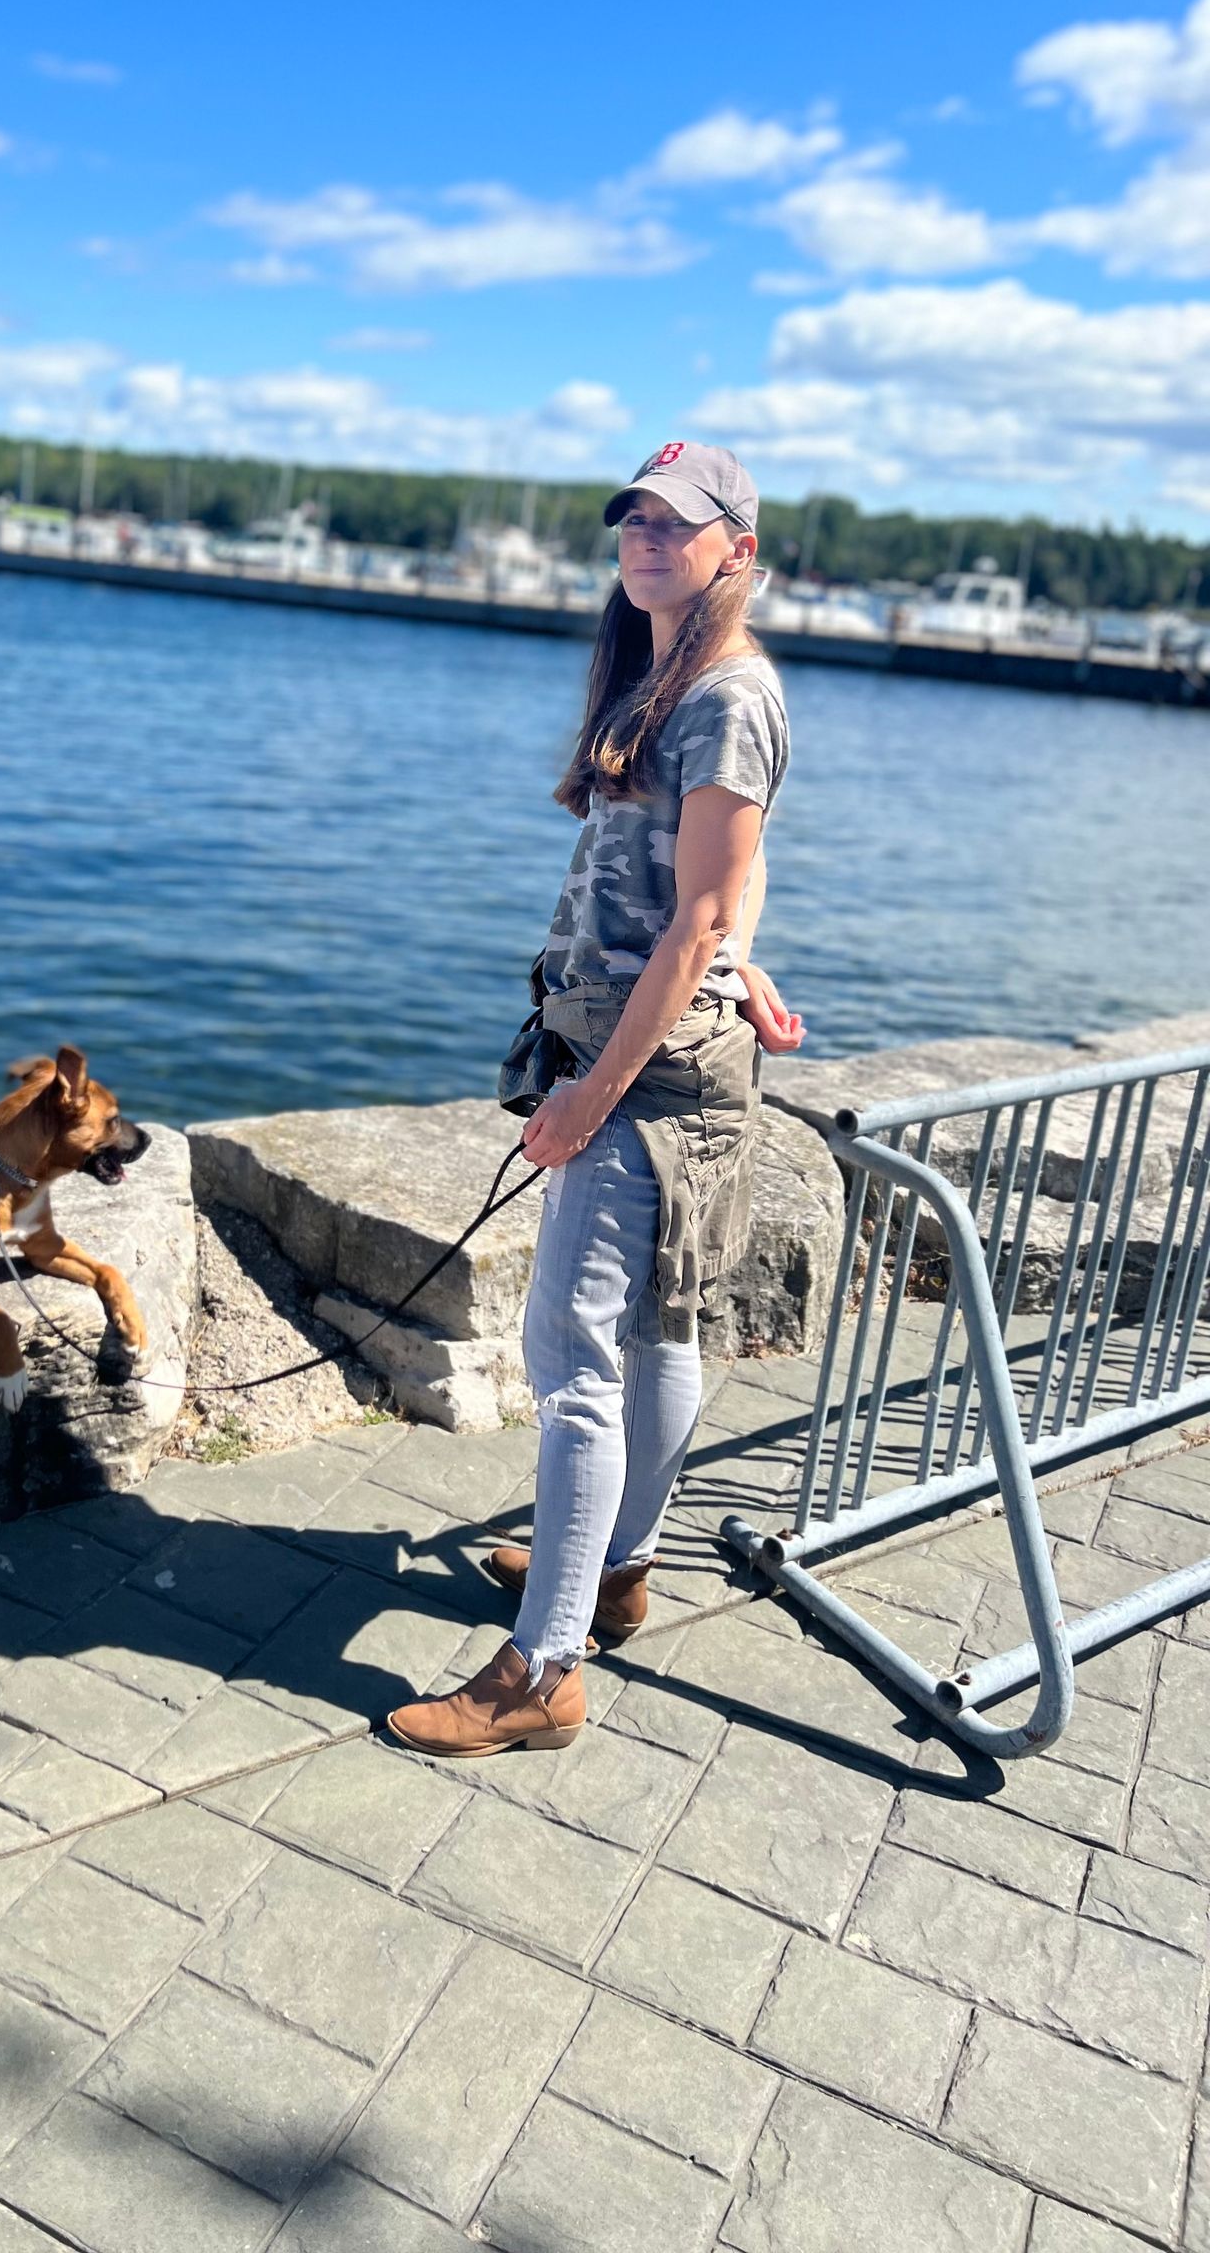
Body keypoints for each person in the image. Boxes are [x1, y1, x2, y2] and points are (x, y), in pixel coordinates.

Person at [389, 441, 802, 1758]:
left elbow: (688, 925)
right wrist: (749, 963)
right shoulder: (681, 678)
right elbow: (725, 897)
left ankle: (541, 1671)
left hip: (646, 1067)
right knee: (659, 1336)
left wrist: (584, 1105)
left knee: (573, 1361)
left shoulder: (726, 694)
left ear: (733, 547)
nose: (643, 536)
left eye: (675, 524)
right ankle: (617, 1577)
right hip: (673, 1046)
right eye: (632, 515)